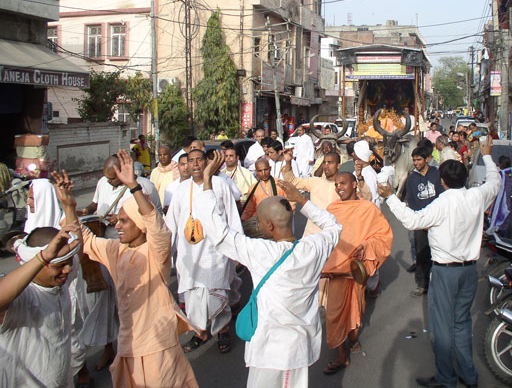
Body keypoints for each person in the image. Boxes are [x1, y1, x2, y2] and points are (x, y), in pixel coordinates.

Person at [55, 157, 200, 388]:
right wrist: (68, 207)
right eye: (118, 221)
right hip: (128, 343)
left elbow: (155, 224)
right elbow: (84, 238)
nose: (117, 226)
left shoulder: (156, 252)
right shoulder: (116, 250)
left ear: (140, 225)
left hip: (157, 344)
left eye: (124, 221)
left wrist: (133, 186)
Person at [194, 173, 343, 388]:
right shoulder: (313, 247)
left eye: (260, 222)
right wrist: (302, 201)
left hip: (270, 349)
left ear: (269, 226)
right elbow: (334, 227)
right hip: (298, 347)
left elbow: (219, 234)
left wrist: (207, 184)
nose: (258, 225)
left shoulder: (260, 252)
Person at [378, 137, 500, 388]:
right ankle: (468, 375)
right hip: (469, 272)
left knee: (442, 329)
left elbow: (411, 221)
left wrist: (390, 197)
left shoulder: (441, 204)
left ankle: (446, 378)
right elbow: (496, 182)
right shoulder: (477, 196)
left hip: (445, 273)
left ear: (442, 181)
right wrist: (487, 155)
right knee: (462, 323)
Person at [77, 155, 162, 371]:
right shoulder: (102, 183)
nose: (109, 183)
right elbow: (96, 203)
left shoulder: (144, 188)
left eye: (114, 179)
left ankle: (137, 350)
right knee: (105, 302)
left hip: (137, 254)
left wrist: (130, 196)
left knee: (131, 303)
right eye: (107, 179)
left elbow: (156, 222)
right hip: (108, 248)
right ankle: (109, 349)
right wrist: (84, 211)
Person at [165, 149, 240, 354]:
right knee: (193, 297)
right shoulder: (181, 190)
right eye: (191, 161)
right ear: (186, 165)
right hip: (189, 255)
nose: (196, 164)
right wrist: (165, 252)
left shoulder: (220, 185)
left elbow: (232, 218)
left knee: (217, 293)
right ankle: (200, 332)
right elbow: (171, 224)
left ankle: (222, 330)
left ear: (207, 162)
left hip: (215, 252)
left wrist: (237, 250)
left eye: (199, 159)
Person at [322, 173, 393, 374]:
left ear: (354, 185)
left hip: (356, 272)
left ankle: (352, 338)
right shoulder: (332, 209)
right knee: (334, 314)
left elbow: (383, 236)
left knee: (356, 311)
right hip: (336, 272)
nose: (339, 188)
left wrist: (366, 246)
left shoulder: (367, 209)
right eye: (336, 185)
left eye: (343, 183)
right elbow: (324, 239)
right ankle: (341, 356)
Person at [1, 223, 81, 387]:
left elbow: (75, 243)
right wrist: (44, 256)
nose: (67, 269)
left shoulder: (60, 283)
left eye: (69, 262)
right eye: (59, 265)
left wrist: (68, 207)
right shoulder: (23, 296)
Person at [282, 149, 371, 236]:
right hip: (312, 236)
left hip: (335, 237)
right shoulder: (315, 182)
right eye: (324, 162)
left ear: (338, 165)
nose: (326, 166)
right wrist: (288, 162)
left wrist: (360, 178)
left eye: (330, 162)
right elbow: (292, 181)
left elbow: (367, 198)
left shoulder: (344, 188)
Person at [405, 145, 444, 297]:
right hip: (421, 224)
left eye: (419, 160)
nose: (416, 163)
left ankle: (438, 284)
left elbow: (441, 196)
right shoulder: (412, 179)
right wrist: (422, 221)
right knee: (422, 254)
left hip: (438, 222)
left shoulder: (436, 174)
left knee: (438, 254)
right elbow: (412, 201)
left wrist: (434, 218)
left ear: (427, 159)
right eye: (414, 160)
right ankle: (422, 284)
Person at [487, 156, 512, 237]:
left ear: (501, 165)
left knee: (495, 220)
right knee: (505, 223)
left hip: (497, 203)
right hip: (508, 204)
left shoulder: (499, 175)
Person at [353, 140, 380, 207]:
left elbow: (372, 199)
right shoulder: (359, 170)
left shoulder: (370, 174)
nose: (353, 154)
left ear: (358, 155)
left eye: (354, 152)